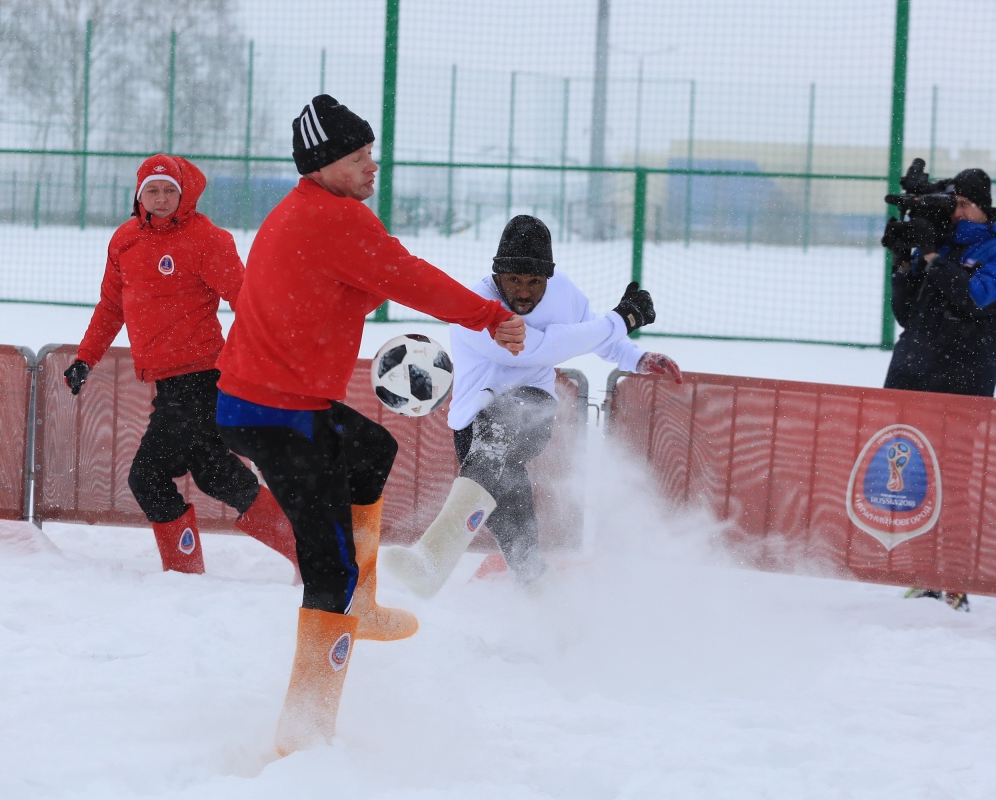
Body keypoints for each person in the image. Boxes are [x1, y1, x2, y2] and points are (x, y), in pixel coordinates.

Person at [212, 95, 526, 755]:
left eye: (371, 154)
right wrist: (490, 316)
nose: (372, 165)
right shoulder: (333, 220)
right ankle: (306, 728)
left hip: (269, 403)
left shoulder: (309, 209)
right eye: (359, 157)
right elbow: (405, 277)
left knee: (371, 447)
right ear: (326, 163)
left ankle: (364, 602)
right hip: (275, 414)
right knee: (327, 571)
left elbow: (373, 274)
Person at [383, 214, 684, 597]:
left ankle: (431, 558)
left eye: (535, 282)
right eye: (513, 281)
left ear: (549, 278)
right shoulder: (473, 306)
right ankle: (548, 608)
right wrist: (622, 318)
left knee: (504, 421)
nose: (524, 293)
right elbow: (534, 348)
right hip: (471, 429)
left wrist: (635, 357)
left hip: (532, 411)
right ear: (497, 277)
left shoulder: (564, 293)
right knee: (517, 532)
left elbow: (591, 335)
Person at [63, 154, 298, 577]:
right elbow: (111, 305)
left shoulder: (206, 239)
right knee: (213, 471)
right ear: (139, 195)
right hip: (168, 382)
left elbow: (244, 298)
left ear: (184, 192)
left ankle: (187, 575)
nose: (161, 198)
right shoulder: (124, 241)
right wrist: (85, 357)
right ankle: (308, 548)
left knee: (148, 476)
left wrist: (277, 347)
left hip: (202, 377)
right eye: (152, 190)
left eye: (170, 189)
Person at [881, 167, 996, 612]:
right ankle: (919, 574)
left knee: (954, 485)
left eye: (964, 204)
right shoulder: (941, 248)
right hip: (912, 377)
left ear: (984, 208)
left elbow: (970, 300)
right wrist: (904, 261)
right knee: (908, 483)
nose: (958, 212)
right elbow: (908, 314)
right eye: (954, 204)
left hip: (962, 386)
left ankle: (954, 581)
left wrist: (930, 258)